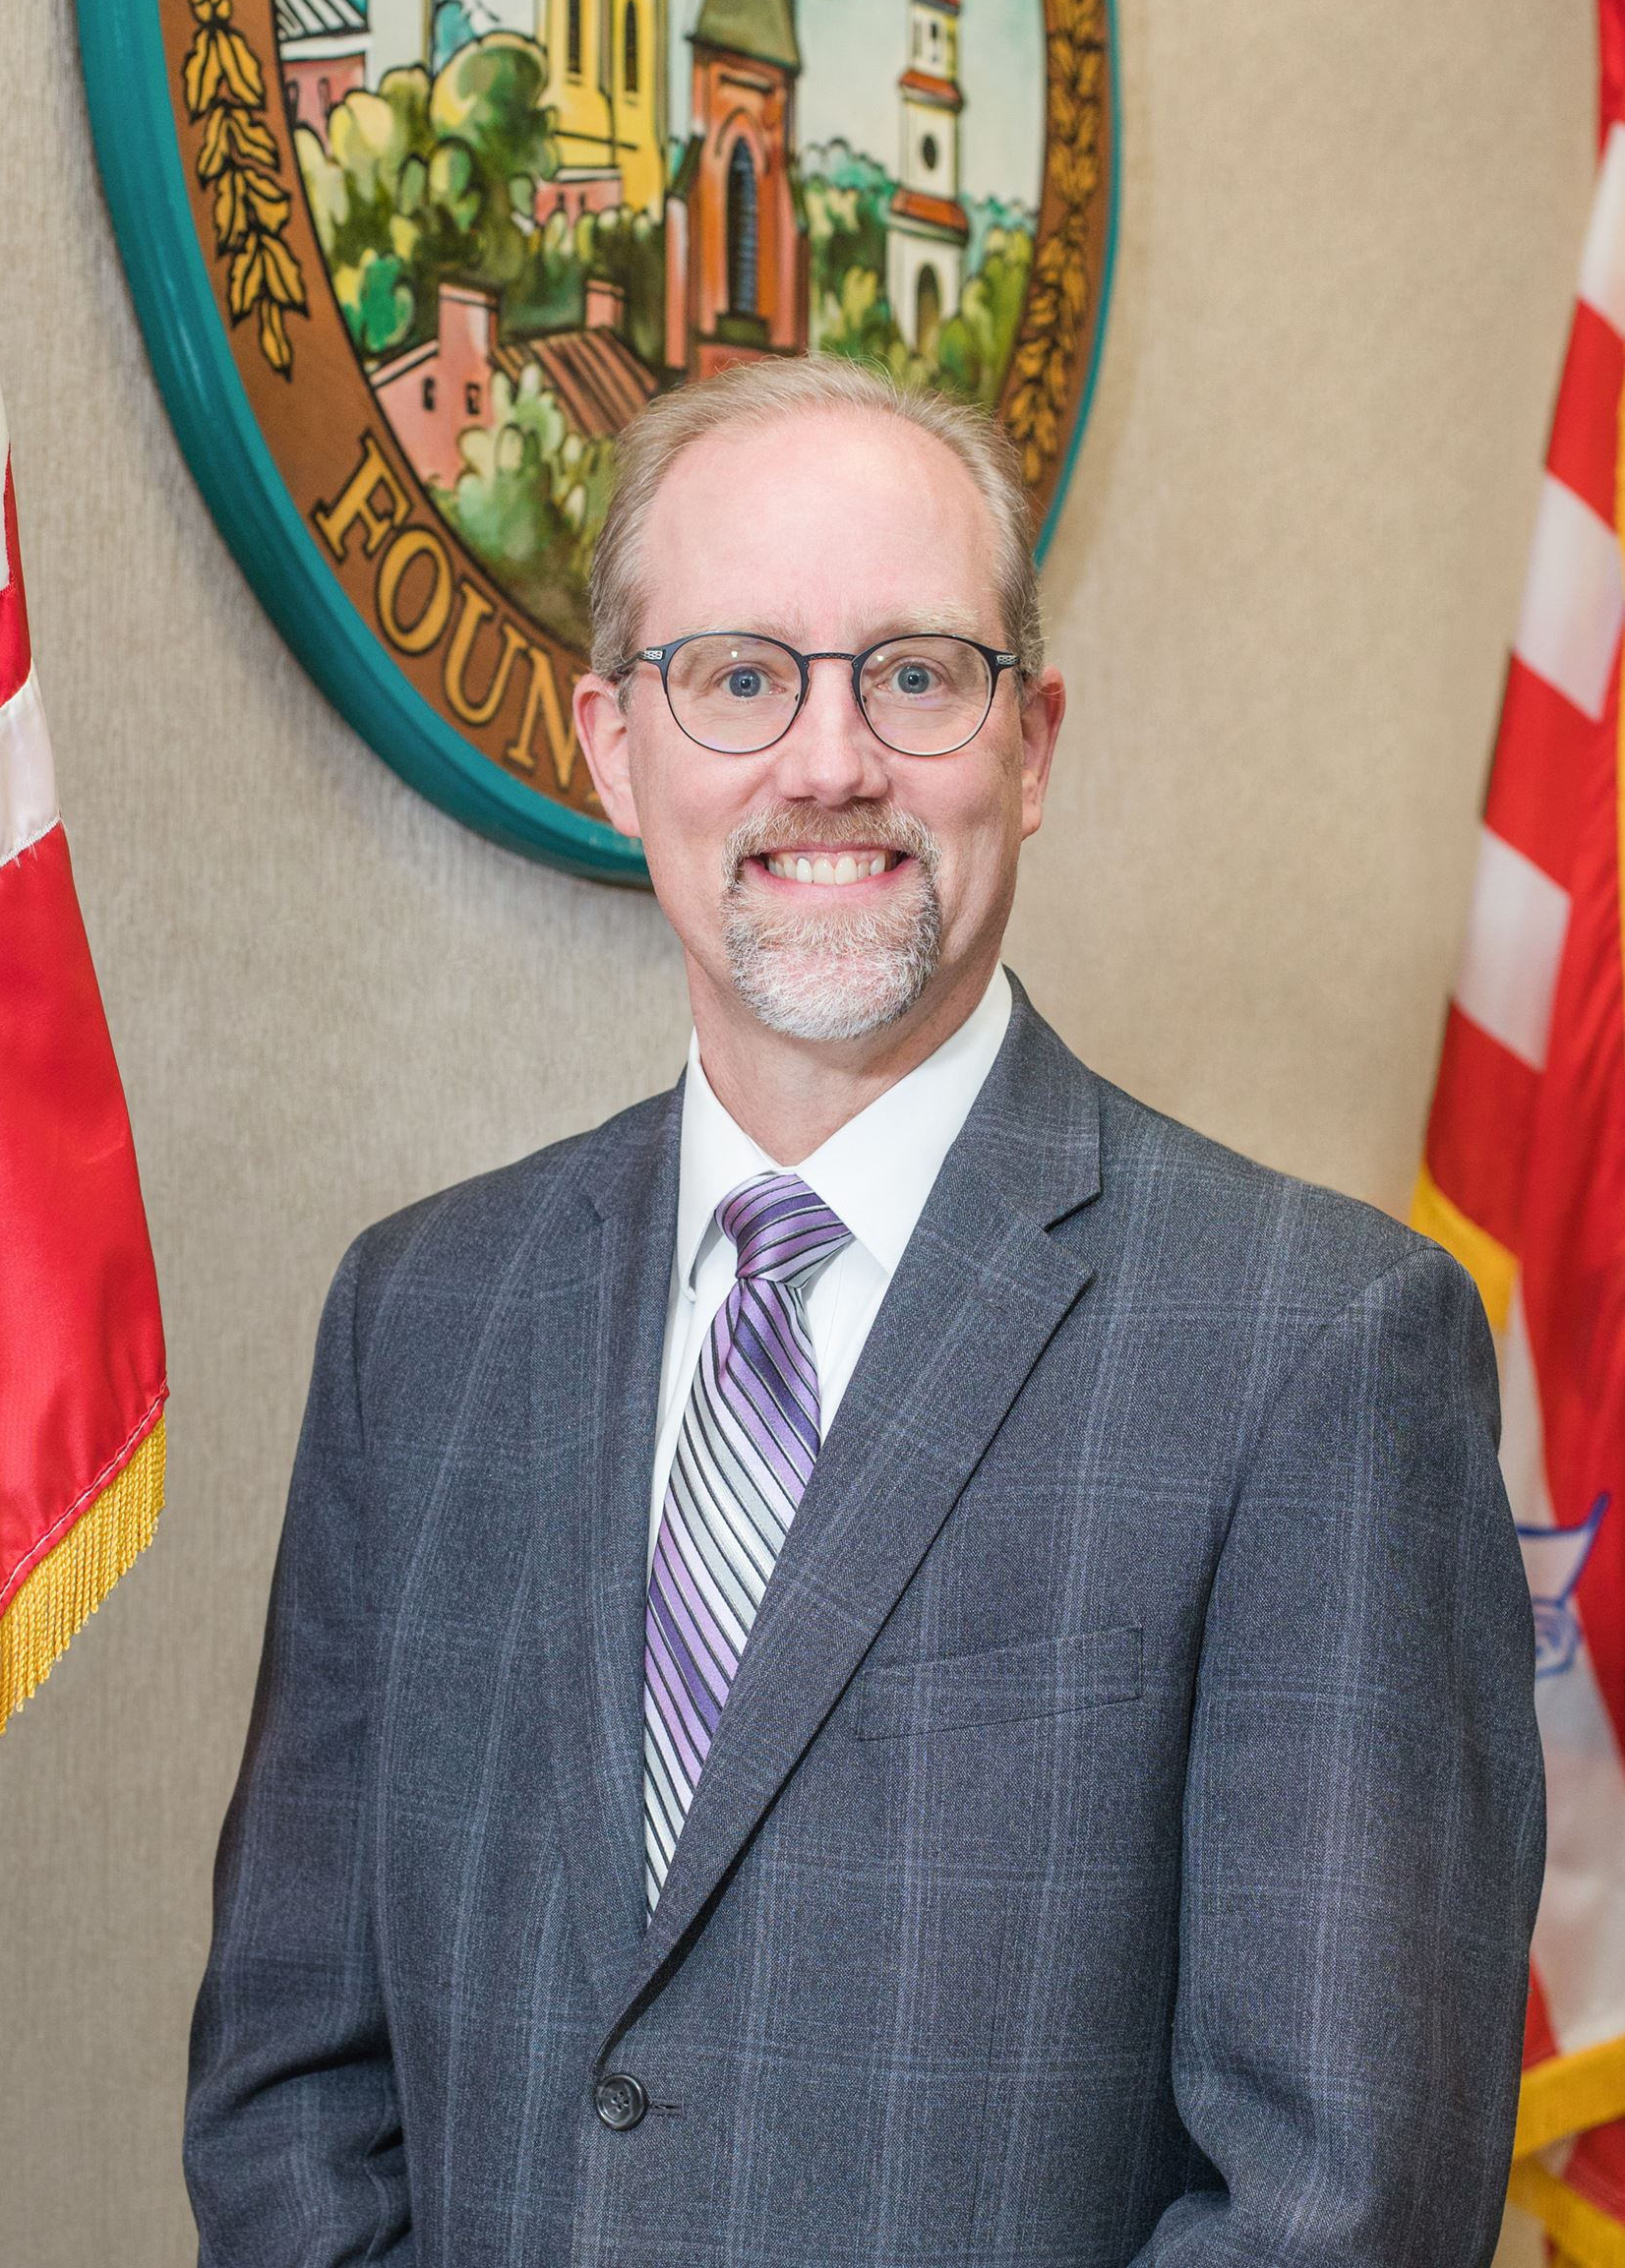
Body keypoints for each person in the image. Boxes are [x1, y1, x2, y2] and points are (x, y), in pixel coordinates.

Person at [184, 357, 1543, 2265]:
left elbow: (1340, 2208)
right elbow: (292, 2103)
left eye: (913, 674)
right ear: (613, 746)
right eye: (739, 677)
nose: (828, 762)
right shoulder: (418, 1324)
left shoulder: (1320, 1350)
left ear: (1032, 746)